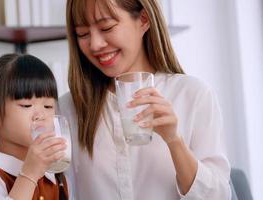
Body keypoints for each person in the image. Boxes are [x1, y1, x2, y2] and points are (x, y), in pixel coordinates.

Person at [59, 0, 231, 199]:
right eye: (82, 34)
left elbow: (218, 195)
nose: (95, 44)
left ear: (143, 20)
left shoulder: (193, 95)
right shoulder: (67, 109)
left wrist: (174, 141)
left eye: (106, 27)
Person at [0, 54, 69, 200]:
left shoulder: (52, 172)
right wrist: (29, 175)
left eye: (48, 106)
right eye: (26, 105)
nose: (41, 115)